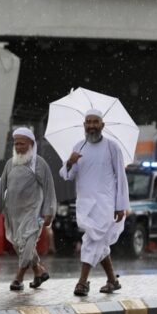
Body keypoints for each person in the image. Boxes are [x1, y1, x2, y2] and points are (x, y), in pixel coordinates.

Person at [59, 108, 128, 296]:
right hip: (85, 205)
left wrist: (121, 205)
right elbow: (67, 175)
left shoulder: (112, 147)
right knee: (99, 242)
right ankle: (113, 280)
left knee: (91, 241)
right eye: (88, 122)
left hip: (106, 204)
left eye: (95, 122)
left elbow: (121, 177)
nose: (91, 126)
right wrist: (70, 162)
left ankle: (82, 282)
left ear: (102, 125)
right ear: (84, 125)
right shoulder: (79, 147)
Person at [0, 127, 57, 291]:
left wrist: (49, 212)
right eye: (16, 144)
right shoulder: (10, 164)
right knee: (20, 245)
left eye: (22, 144)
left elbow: (49, 189)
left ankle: (18, 278)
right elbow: (1, 187)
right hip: (13, 215)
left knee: (28, 244)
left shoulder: (40, 164)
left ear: (31, 144)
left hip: (33, 214)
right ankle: (39, 271)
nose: (18, 147)